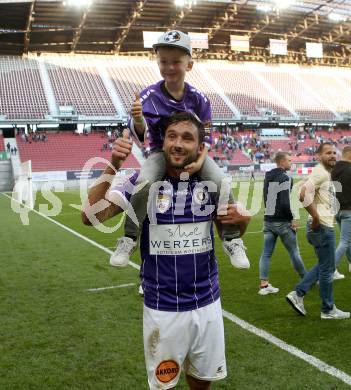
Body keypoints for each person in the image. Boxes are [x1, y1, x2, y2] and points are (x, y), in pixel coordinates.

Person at [82, 112, 251, 389]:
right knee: (164, 385)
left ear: (200, 147)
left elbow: (225, 233)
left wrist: (242, 224)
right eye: (172, 136)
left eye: (187, 138)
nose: (178, 143)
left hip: (207, 301)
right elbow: (90, 217)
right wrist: (113, 164)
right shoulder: (142, 181)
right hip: (163, 307)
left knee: (202, 382)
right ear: (163, 142)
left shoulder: (209, 184)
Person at [110, 30, 249, 271]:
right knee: (143, 182)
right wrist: (139, 119)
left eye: (176, 61)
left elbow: (206, 136)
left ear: (190, 64)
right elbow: (140, 134)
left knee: (221, 182)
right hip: (160, 153)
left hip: (194, 154)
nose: (169, 67)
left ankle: (232, 239)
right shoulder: (147, 96)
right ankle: (130, 238)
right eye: (164, 61)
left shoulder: (199, 98)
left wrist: (199, 161)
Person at [286, 143, 350, 319]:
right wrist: (315, 217)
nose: (332, 156)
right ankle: (327, 309)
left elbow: (301, 188)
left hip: (320, 226)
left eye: (334, 153)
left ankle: (298, 294)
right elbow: (303, 194)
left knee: (325, 265)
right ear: (318, 156)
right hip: (321, 226)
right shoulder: (321, 172)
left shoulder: (323, 173)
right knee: (327, 269)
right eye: (327, 153)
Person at [258, 152, 306, 295]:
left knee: (266, 254)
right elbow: (285, 203)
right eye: (289, 160)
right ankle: (306, 279)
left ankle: (264, 285)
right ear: (282, 162)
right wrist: (292, 219)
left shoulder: (267, 177)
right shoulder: (285, 178)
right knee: (294, 252)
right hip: (282, 222)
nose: (291, 163)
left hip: (268, 221)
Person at [331, 145, 351, 278]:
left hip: (337, 210)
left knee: (347, 240)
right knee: (345, 241)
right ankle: (330, 270)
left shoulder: (334, 169)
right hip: (348, 210)